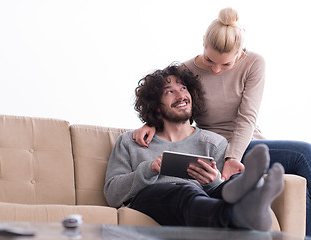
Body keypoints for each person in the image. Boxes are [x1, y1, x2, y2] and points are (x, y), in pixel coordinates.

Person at [132, 7, 311, 235]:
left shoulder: (254, 63)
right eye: (209, 61)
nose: (216, 69)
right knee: (302, 156)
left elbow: (247, 116)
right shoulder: (186, 70)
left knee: (302, 165)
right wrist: (152, 121)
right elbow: (168, 99)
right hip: (213, 147)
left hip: (244, 144)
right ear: (203, 43)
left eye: (226, 65)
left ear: (240, 53)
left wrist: (233, 157)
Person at [104, 64, 284, 231]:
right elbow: (112, 194)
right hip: (149, 199)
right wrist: (150, 169)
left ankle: (250, 193)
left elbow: (214, 191)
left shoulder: (214, 143)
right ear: (157, 107)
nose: (181, 95)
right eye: (170, 92)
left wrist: (214, 182)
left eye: (183, 88)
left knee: (218, 188)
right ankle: (239, 212)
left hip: (199, 201)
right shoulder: (131, 141)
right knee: (185, 190)